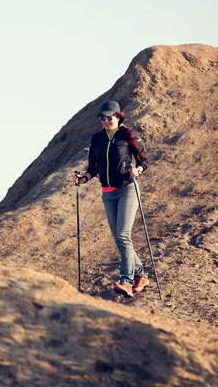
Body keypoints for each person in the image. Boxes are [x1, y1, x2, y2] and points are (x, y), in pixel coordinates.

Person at [73, 100, 149, 298]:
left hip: (127, 189)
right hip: (107, 193)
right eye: (102, 118)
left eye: (109, 117)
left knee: (123, 236)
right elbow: (93, 167)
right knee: (119, 238)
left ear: (118, 116)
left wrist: (137, 170)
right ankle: (141, 274)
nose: (106, 121)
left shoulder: (128, 135)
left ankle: (126, 281)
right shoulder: (97, 138)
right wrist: (83, 179)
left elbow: (144, 160)